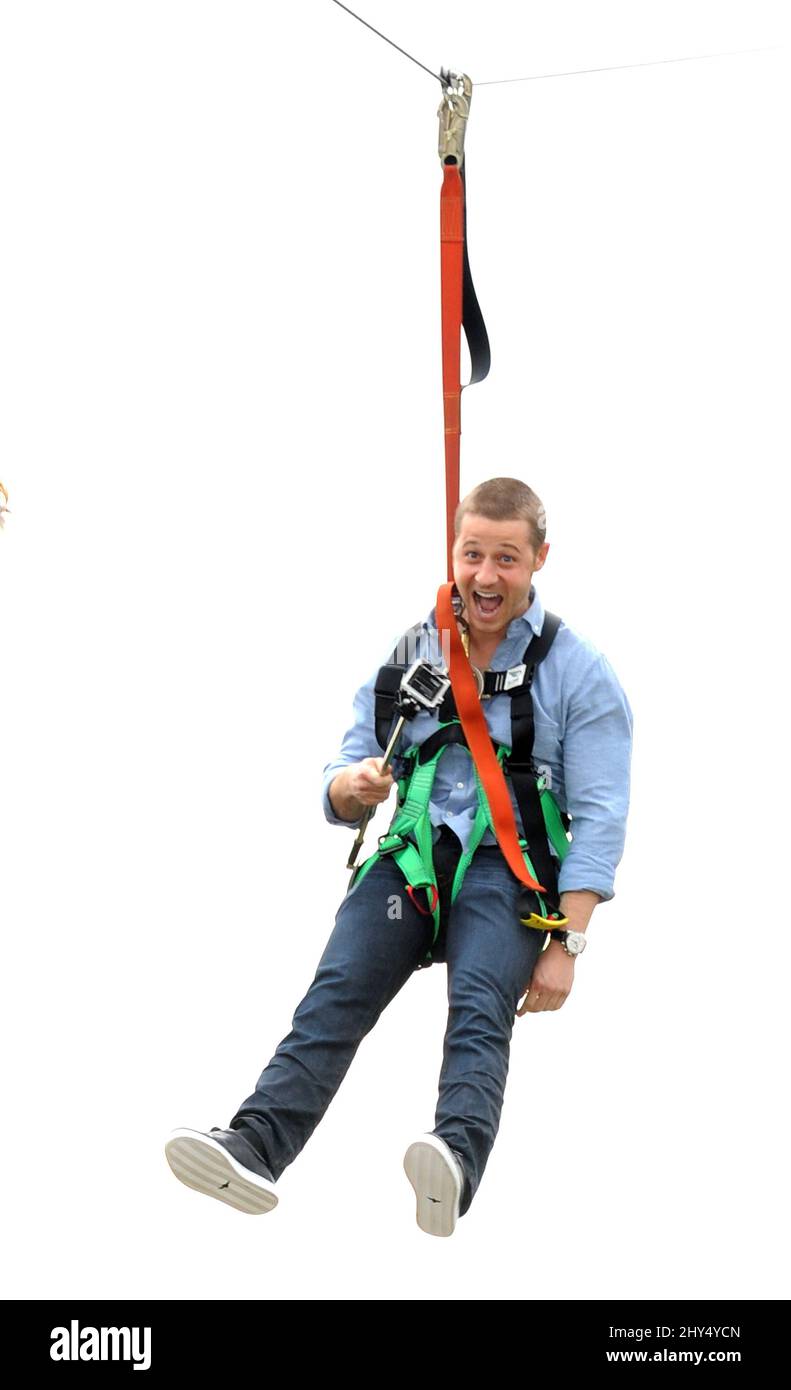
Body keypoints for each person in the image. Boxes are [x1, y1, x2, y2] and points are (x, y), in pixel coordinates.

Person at [165, 477, 633, 1235]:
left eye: (506, 558)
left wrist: (567, 944)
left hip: (506, 871)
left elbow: (603, 814)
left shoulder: (579, 671)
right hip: (414, 859)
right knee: (336, 992)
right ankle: (254, 1145)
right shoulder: (416, 649)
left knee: (479, 1006)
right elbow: (347, 765)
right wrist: (351, 787)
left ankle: (453, 1157)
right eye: (472, 554)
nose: (485, 576)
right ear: (453, 552)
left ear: (539, 560)